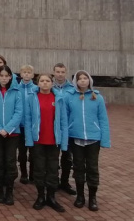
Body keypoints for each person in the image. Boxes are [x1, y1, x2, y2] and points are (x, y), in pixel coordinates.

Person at [65, 70, 110, 212]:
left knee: (92, 168)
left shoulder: (97, 97)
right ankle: (80, 196)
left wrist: (105, 139)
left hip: (93, 138)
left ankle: (92, 197)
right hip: (76, 138)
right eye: (80, 79)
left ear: (89, 80)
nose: (83, 81)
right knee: (78, 167)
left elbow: (103, 119)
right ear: (75, 81)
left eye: (85, 78)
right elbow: (65, 119)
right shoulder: (70, 97)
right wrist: (65, 139)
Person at [25, 74, 68, 213]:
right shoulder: (32, 98)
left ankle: (51, 197)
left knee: (53, 170)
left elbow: (63, 122)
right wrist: (29, 140)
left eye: (47, 81)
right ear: (38, 83)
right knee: (39, 169)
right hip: (38, 140)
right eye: (42, 81)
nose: (44, 83)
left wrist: (64, 142)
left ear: (52, 83)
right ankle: (40, 196)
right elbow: (28, 120)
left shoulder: (59, 98)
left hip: (54, 141)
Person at [0, 65, 23, 205]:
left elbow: (19, 112)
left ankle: (10, 190)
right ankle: (0, 189)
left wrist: (7, 129)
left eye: (7, 75)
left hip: (12, 134)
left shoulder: (16, 92)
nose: (4, 78)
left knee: (10, 161)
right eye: (2, 75)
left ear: (10, 77)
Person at [53, 63, 77, 195]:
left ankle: (65, 182)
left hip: (69, 128)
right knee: (54, 157)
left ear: (65, 73)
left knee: (67, 157)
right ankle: (54, 181)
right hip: (55, 128)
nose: (60, 74)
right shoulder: (49, 87)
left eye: (62, 72)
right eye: (57, 72)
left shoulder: (72, 89)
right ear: (54, 72)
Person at [17, 65, 38, 184]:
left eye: (29, 72)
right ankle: (24, 173)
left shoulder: (36, 89)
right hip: (20, 126)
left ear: (32, 75)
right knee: (22, 152)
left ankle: (33, 174)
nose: (26, 74)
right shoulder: (16, 88)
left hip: (32, 126)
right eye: (24, 72)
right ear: (21, 74)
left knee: (34, 152)